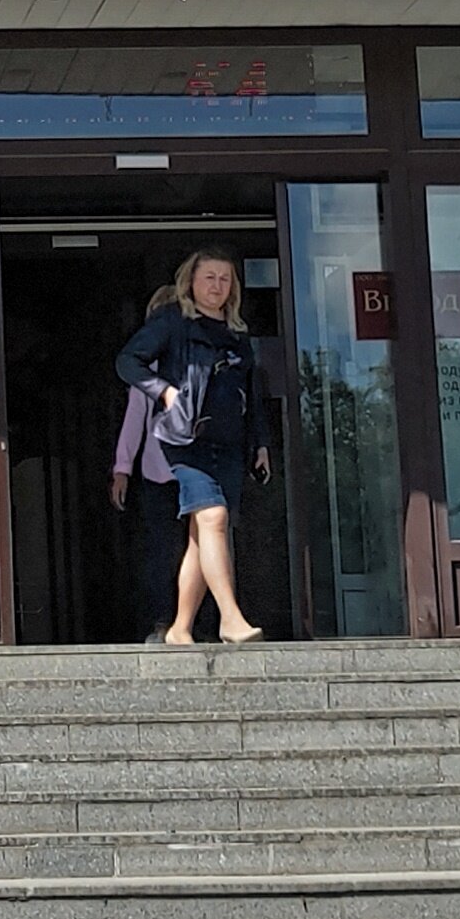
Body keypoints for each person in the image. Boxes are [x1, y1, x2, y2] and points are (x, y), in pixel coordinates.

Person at [109, 252, 271, 646]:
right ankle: (230, 619)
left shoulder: (238, 334)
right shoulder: (172, 322)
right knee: (213, 517)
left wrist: (261, 443)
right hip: (185, 441)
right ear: (191, 282)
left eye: (225, 279)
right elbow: (128, 361)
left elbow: (253, 392)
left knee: (202, 535)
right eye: (209, 277)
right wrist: (163, 391)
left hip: (228, 444)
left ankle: (180, 629)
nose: (217, 286)